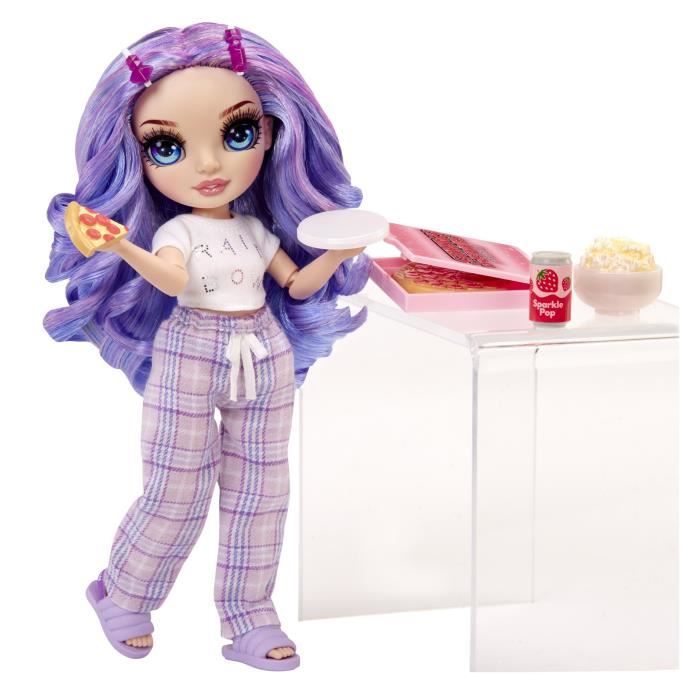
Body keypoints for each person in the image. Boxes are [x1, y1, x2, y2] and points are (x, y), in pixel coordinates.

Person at [44, 23, 370, 671]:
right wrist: (122, 244)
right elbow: (171, 280)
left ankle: (250, 615)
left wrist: (338, 254)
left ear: (272, 132)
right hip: (191, 350)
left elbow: (296, 284)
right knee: (178, 486)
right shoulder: (178, 234)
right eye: (167, 146)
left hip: (265, 350)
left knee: (262, 490)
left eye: (237, 133)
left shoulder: (255, 229)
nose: (210, 166)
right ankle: (124, 591)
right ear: (136, 156)